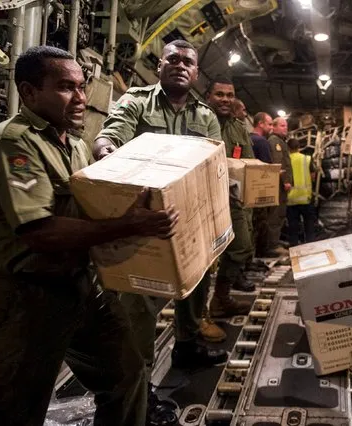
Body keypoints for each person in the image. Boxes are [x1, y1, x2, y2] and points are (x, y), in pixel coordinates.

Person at [0, 46, 178, 425]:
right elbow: (40, 231)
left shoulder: (76, 144)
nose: (81, 98)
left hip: (80, 286)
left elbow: (88, 209)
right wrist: (131, 225)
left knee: (126, 375)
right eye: (67, 87)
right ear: (30, 92)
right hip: (23, 295)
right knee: (13, 407)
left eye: (82, 87)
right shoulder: (13, 144)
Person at [92, 39, 229, 411]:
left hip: (192, 216)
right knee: (140, 305)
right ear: (160, 65)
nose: (180, 65)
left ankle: (186, 346)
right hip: (146, 220)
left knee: (196, 284)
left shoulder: (205, 116)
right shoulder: (137, 101)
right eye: (174, 59)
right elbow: (110, 134)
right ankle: (141, 388)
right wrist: (105, 153)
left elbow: (214, 161)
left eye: (188, 61)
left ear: (196, 72)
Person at [204, 77, 257, 318]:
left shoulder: (238, 127)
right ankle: (196, 316)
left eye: (229, 95)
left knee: (242, 247)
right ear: (208, 97)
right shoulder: (199, 120)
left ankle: (221, 299)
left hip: (233, 200)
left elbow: (248, 161)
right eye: (220, 94)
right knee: (202, 259)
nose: (225, 99)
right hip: (202, 201)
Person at [267, 117, 293, 255]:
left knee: (280, 214)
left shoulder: (280, 142)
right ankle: (272, 246)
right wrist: (285, 181)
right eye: (282, 125)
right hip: (278, 185)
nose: (285, 128)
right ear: (274, 127)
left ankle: (276, 240)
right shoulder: (274, 142)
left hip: (280, 185)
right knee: (275, 215)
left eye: (286, 126)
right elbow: (278, 163)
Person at [250, 112, 274, 256]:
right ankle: (261, 253)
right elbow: (267, 168)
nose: (271, 127)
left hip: (247, 190)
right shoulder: (262, 142)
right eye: (269, 124)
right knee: (260, 223)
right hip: (260, 190)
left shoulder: (247, 139)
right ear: (261, 124)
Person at [286, 138, 316, 246]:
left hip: (290, 199)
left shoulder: (286, 159)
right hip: (305, 198)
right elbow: (313, 176)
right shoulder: (306, 159)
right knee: (309, 224)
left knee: (293, 226)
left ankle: (294, 245)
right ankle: (311, 244)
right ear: (299, 147)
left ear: (288, 148)